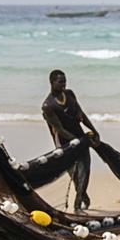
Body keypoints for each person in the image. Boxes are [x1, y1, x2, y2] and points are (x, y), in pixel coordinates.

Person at [41, 69, 96, 211]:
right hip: (65, 143)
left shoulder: (70, 94)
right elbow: (59, 129)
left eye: (65, 81)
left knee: (85, 170)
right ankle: (83, 196)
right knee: (75, 175)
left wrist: (94, 131)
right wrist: (76, 141)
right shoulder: (48, 105)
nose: (64, 84)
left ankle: (77, 206)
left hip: (80, 137)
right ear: (52, 82)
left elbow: (81, 114)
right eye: (60, 82)